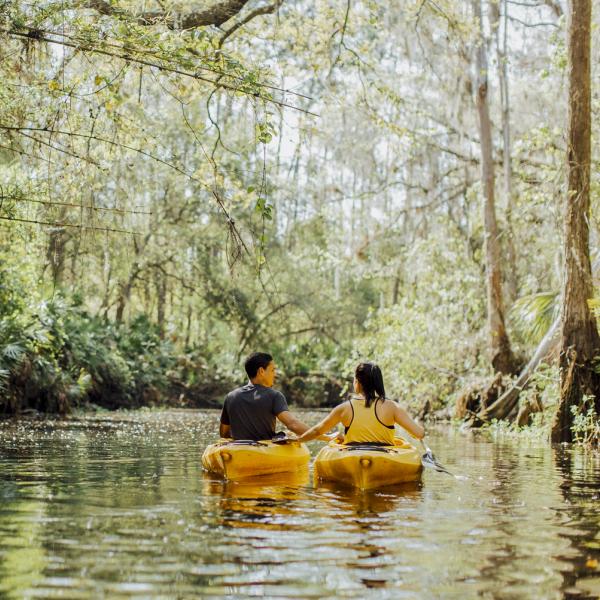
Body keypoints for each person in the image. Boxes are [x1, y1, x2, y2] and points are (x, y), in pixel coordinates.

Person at [297, 361, 424, 444]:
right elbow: (419, 434)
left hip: (354, 457)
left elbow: (317, 431)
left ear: (357, 382)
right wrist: (416, 431)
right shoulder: (392, 407)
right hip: (384, 458)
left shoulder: (344, 408)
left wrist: (298, 440)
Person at [219, 352, 313, 441]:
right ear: (261, 371)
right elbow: (293, 425)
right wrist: (323, 437)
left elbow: (224, 433)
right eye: (272, 370)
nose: (274, 374)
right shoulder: (274, 396)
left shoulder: (231, 397)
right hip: (265, 453)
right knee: (288, 434)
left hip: (237, 451)